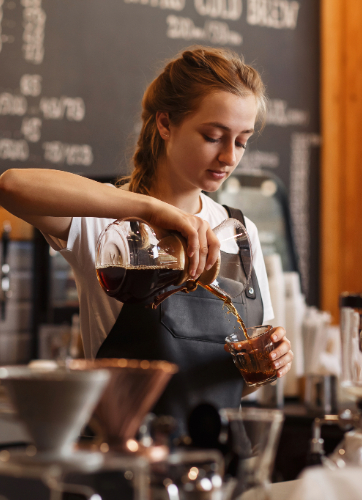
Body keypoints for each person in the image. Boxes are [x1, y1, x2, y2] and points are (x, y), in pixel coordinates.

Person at [0, 46, 293, 436]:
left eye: (241, 141)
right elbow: (12, 186)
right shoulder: (108, 226)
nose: (228, 156)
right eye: (213, 136)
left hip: (221, 462)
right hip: (130, 459)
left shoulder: (239, 231)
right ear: (166, 124)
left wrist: (269, 362)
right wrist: (153, 211)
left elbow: (243, 369)